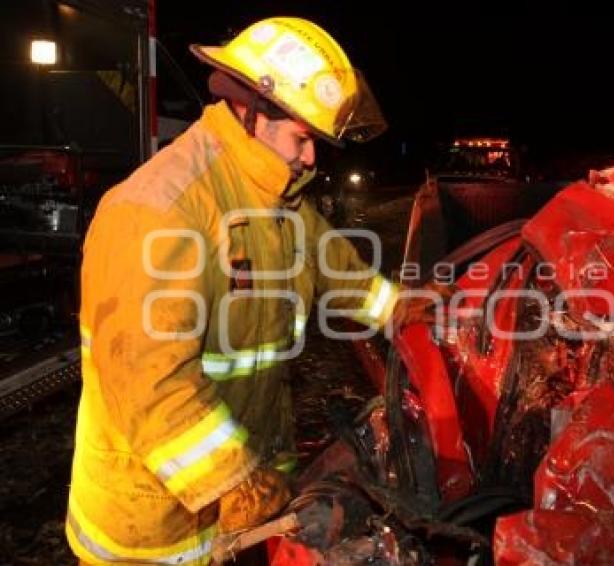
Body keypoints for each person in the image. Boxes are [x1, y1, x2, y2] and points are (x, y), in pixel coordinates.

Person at [65, 17, 439, 564]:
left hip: (247, 509)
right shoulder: (159, 210)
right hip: (153, 530)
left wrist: (400, 310)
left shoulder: (277, 202)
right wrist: (234, 480)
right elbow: (149, 380)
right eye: (304, 140)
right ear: (251, 112)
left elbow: (341, 273)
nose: (312, 159)